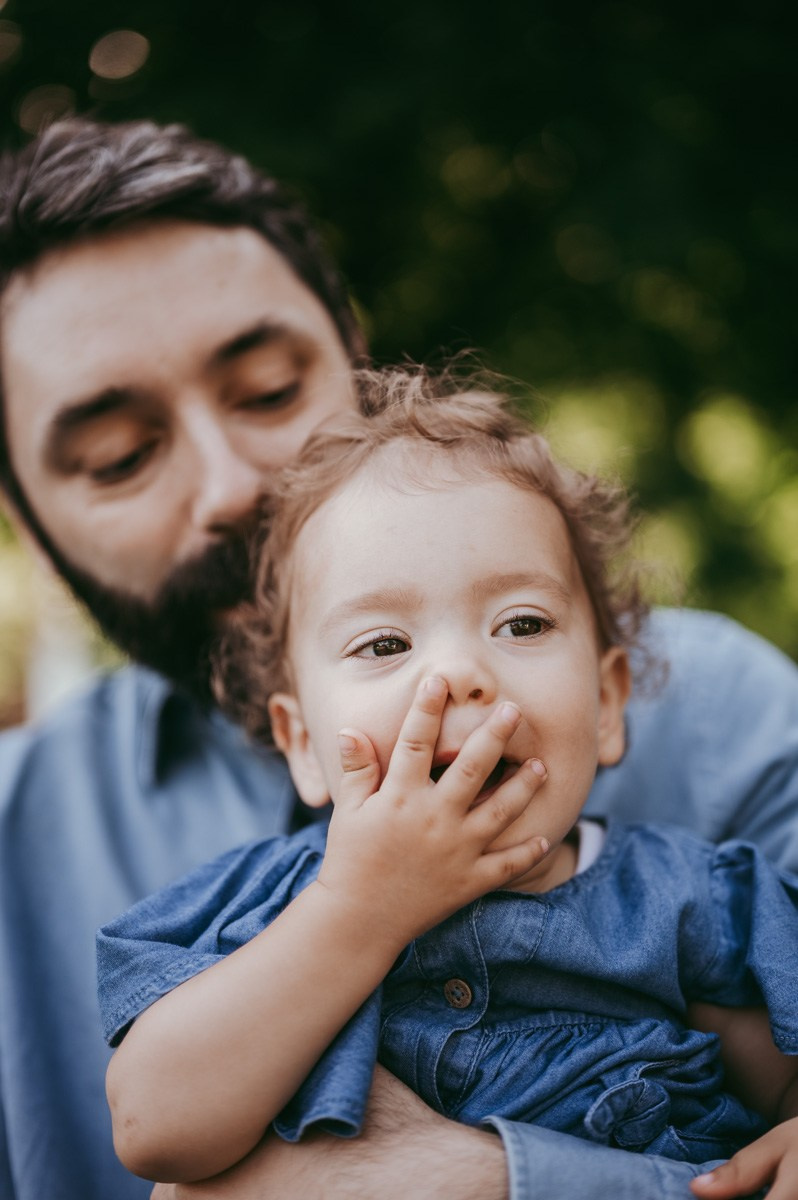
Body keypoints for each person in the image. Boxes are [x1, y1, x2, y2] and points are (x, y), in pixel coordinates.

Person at [0, 116, 797, 1200]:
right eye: (119, 456)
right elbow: (152, 1121)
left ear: (357, 360)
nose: (232, 486)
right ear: (30, 521)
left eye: (273, 390)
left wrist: (481, 1183)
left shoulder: (723, 754)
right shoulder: (108, 869)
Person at [97, 373, 798, 1199]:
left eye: (522, 624)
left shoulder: (689, 906)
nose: (461, 671)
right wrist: (361, 909)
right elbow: (155, 1130)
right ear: (303, 744)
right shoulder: (259, 917)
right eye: (385, 643)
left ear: (608, 703)